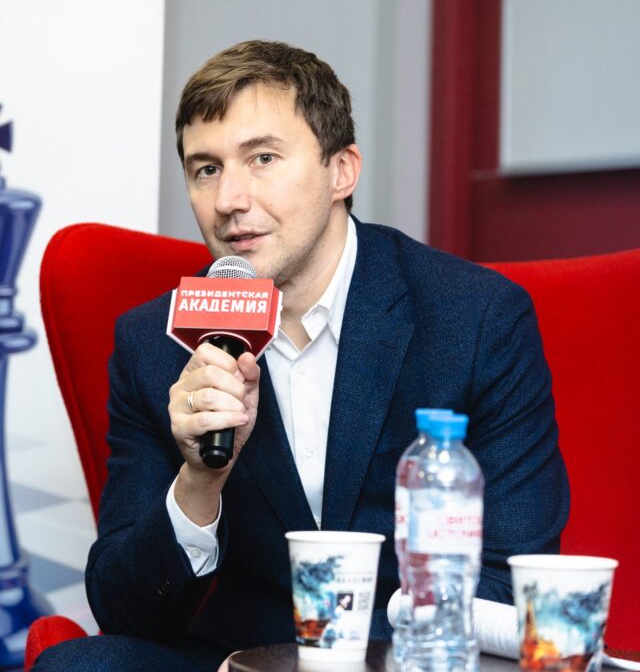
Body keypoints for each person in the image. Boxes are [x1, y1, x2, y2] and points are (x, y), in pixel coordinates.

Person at [34, 40, 569, 671]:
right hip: (230, 660)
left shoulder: (475, 318)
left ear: (342, 171)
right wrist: (199, 480)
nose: (229, 199)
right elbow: (128, 614)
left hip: (407, 656)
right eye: (206, 169)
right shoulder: (154, 342)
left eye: (262, 158)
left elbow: (508, 582)